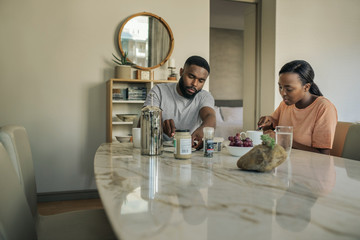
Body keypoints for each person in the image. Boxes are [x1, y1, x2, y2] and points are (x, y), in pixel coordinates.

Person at [257, 60, 337, 155]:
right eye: (280, 87)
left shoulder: (324, 108)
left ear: (306, 87)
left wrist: (282, 140)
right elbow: (271, 125)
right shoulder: (285, 104)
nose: (283, 93)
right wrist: (267, 123)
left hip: (309, 168)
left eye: (289, 89)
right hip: (285, 163)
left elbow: (323, 155)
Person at [143, 55, 216, 149]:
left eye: (201, 81)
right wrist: (159, 124)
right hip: (159, 149)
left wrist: (203, 129)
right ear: (181, 72)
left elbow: (210, 116)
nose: (195, 84)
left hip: (190, 150)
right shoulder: (159, 91)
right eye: (191, 76)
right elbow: (144, 122)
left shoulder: (205, 96)